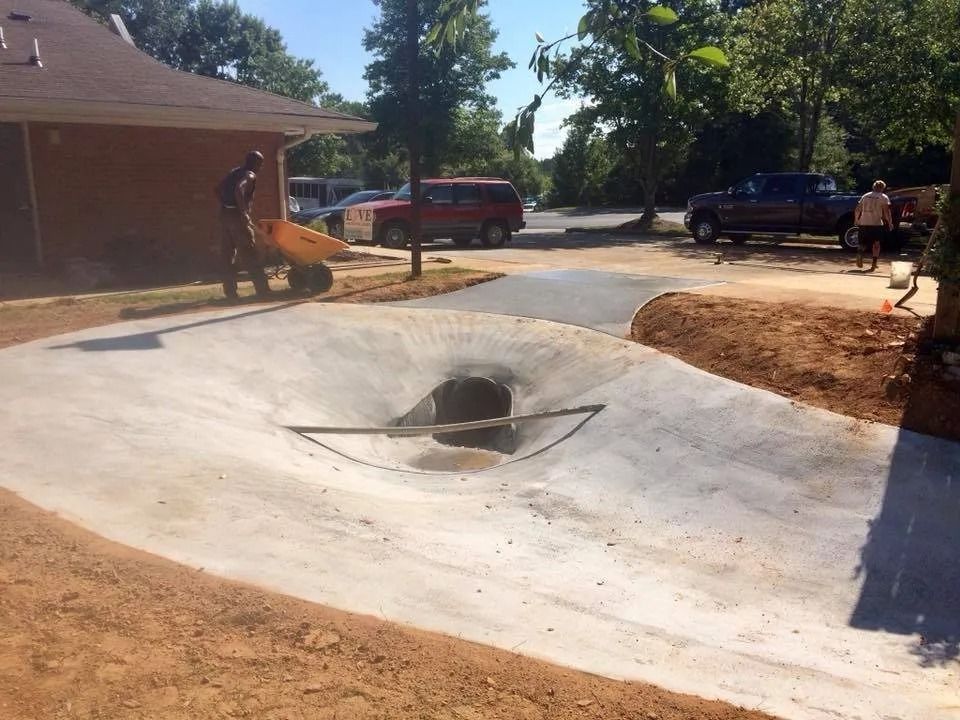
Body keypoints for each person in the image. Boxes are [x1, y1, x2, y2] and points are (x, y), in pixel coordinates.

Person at [216, 150, 270, 299]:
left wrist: (226, 205)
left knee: (227, 255)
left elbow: (218, 189)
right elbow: (239, 189)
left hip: (224, 216)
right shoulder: (250, 175)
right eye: (261, 163)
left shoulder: (234, 172)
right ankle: (263, 290)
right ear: (256, 163)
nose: (261, 167)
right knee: (250, 252)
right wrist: (243, 213)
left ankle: (230, 293)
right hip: (237, 219)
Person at [854, 179, 893, 271]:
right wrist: (890, 222)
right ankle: (874, 264)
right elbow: (886, 212)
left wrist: (856, 219)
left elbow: (857, 209)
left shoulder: (865, 196)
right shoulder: (883, 197)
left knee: (862, 242)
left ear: (873, 187)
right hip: (876, 224)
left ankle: (860, 253)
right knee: (876, 244)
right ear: (883, 188)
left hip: (864, 222)